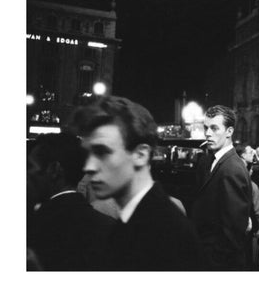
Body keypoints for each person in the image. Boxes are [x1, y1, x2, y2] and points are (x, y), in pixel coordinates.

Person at [69, 95, 202, 271]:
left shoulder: (164, 233)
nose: (89, 166)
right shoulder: (141, 219)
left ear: (141, 155)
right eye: (88, 154)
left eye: (102, 152)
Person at [27, 132, 116, 271]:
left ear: (54, 170)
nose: (27, 174)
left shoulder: (35, 225)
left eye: (30, 166)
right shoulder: (108, 227)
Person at [190, 105, 252, 270]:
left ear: (229, 131)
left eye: (214, 128)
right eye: (206, 128)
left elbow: (232, 233)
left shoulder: (233, 169)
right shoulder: (210, 160)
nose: (208, 133)